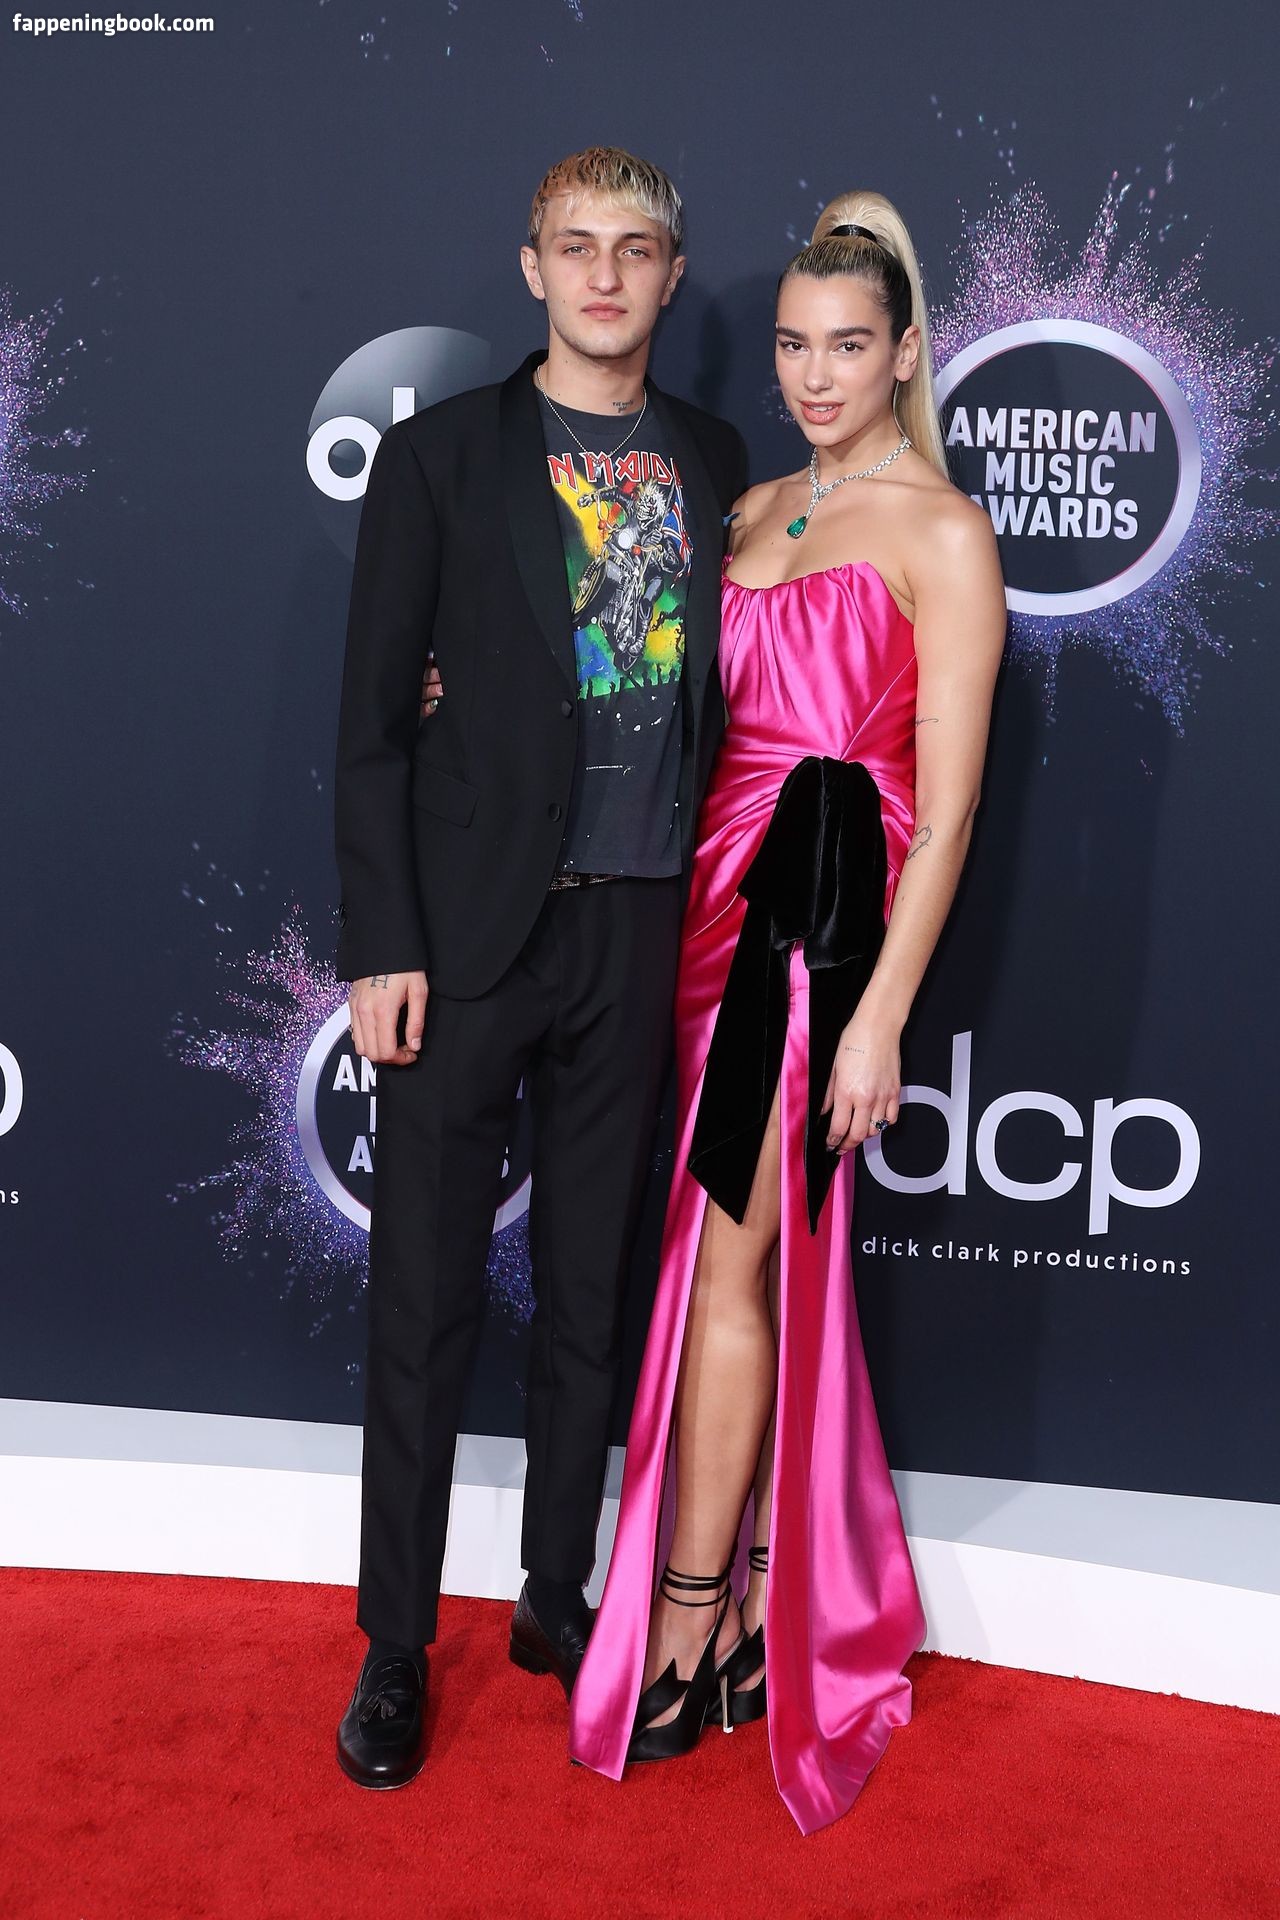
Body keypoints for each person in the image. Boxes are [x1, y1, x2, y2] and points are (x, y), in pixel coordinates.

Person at [567, 192, 1006, 1834]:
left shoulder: (944, 534)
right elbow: (635, 683)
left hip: (813, 934)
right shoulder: (746, 504)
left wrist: (881, 1015)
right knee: (707, 1259)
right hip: (696, 911)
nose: (816, 376)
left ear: (905, 351)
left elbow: (947, 814)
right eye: (793, 346)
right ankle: (746, 1601)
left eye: (849, 346)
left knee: (733, 1263)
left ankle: (692, 1614)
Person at [331, 147, 747, 1790]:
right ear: (532, 269)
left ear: (669, 274)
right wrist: (383, 942)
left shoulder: (717, 460)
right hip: (465, 939)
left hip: (638, 927)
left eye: (635, 250)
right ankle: (394, 1643)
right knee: (423, 1299)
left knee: (591, 1293)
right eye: (577, 247)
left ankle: (557, 1596)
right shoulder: (440, 457)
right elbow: (372, 729)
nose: (605, 276)